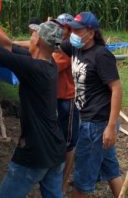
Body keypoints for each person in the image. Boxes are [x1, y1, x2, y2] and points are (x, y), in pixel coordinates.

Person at [0, 20, 66, 198]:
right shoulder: (46, 61)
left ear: (38, 41)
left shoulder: (33, 67)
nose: (31, 36)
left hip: (35, 151)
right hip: (55, 149)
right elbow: (6, 44)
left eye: (34, 34)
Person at [60, 12, 123, 198]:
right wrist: (11, 45)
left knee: (82, 181)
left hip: (97, 124)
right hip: (88, 120)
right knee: (110, 169)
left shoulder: (101, 55)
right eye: (72, 29)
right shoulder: (75, 47)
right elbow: (49, 46)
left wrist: (111, 127)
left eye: (78, 30)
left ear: (91, 32)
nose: (73, 33)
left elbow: (117, 89)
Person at [52, 13, 80, 195]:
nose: (59, 29)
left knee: (69, 143)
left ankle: (63, 183)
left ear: (69, 29)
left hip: (68, 99)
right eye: (57, 25)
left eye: (62, 26)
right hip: (58, 97)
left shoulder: (68, 48)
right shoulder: (60, 44)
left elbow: (50, 64)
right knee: (61, 137)